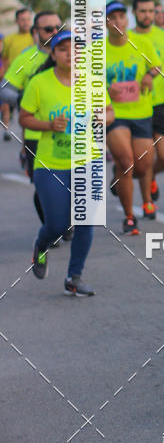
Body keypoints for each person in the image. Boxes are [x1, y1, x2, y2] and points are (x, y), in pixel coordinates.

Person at [19, 30, 113, 295]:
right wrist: (48, 124)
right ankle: (42, 244)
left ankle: (74, 276)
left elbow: (109, 111)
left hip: (89, 161)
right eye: (63, 49)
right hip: (51, 163)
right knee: (58, 224)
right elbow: (24, 118)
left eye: (76, 49)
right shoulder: (39, 83)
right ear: (53, 53)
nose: (71, 54)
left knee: (85, 221)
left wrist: (103, 118)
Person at [105, 1, 161, 234]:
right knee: (126, 162)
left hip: (141, 112)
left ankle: (118, 178)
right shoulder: (95, 51)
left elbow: (157, 66)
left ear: (127, 20)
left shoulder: (142, 43)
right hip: (113, 115)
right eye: (113, 17)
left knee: (143, 165)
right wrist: (105, 90)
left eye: (121, 16)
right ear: (106, 23)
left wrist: (149, 75)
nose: (118, 21)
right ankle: (129, 217)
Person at [5, 11, 63, 221]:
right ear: (35, 32)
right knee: (44, 186)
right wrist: (23, 98)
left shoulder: (73, 55)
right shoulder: (27, 58)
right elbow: (5, 88)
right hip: (36, 134)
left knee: (73, 182)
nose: (55, 32)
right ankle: (51, 226)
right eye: (48, 29)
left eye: (58, 27)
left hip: (70, 131)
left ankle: (65, 222)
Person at [132, 0, 164, 203]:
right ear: (134, 12)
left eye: (151, 11)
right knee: (144, 156)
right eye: (143, 11)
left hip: (162, 101)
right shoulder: (127, 38)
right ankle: (147, 202)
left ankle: (145, 177)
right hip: (134, 104)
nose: (147, 15)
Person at [1, 8, 34, 139]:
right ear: (17, 21)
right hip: (12, 78)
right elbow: (4, 58)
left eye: (27, 19)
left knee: (26, 111)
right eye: (22, 19)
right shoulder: (9, 39)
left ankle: (26, 139)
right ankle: (6, 130)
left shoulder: (34, 37)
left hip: (27, 79)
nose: (25, 22)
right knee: (6, 105)